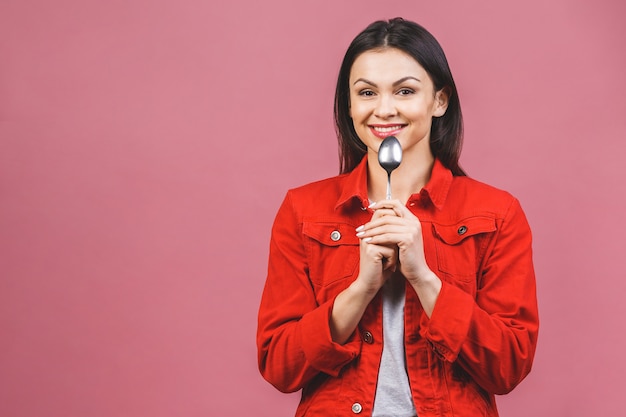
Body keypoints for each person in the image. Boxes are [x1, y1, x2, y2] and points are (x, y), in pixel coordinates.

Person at [257, 17, 538, 417]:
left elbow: (509, 366)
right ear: (349, 105)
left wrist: (424, 277)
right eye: (367, 92)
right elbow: (278, 366)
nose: (384, 109)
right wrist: (360, 289)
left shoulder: (496, 213)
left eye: (405, 90)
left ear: (439, 101)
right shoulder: (303, 210)